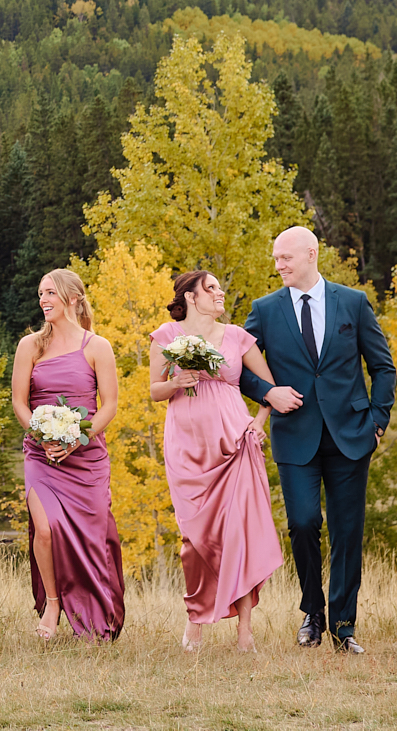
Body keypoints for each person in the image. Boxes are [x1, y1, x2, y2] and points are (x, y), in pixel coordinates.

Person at [238, 225, 395, 653]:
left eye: (285, 257)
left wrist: (377, 422)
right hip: (295, 437)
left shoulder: (353, 302)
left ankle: (344, 626)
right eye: (275, 258)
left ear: (311, 253)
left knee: (348, 531)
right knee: (303, 522)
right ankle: (313, 611)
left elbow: (383, 367)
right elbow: (240, 366)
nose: (278, 265)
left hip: (351, 435)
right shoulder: (265, 310)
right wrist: (268, 392)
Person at [149, 268, 281, 653]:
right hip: (187, 446)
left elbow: (269, 388)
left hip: (235, 442)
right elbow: (154, 391)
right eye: (212, 289)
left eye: (221, 288)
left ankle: (245, 631)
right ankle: (196, 621)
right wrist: (177, 381)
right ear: (191, 296)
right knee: (195, 537)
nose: (220, 294)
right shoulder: (166, 336)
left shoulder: (238, 337)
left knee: (240, 534)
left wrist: (258, 423)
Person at [11, 267, 124, 641]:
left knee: (89, 538)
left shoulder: (97, 346)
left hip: (86, 457)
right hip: (40, 455)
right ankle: (54, 604)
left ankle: (94, 613)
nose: (43, 300)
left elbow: (109, 405)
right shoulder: (30, 346)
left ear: (73, 298)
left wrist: (78, 439)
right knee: (44, 530)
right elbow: (19, 403)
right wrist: (41, 436)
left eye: (50, 293)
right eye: (40, 293)